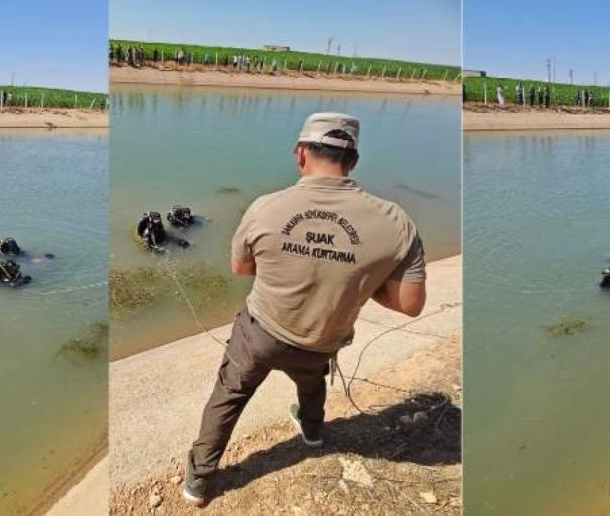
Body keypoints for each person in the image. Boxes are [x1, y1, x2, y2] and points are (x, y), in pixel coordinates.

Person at [183, 112, 428, 506]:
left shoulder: (264, 207)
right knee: (312, 382)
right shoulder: (396, 222)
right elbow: (411, 304)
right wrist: (358, 282)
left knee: (228, 396)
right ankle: (313, 431)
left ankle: (198, 480)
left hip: (258, 334)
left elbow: (242, 267)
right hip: (323, 338)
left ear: (300, 154)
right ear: (354, 161)